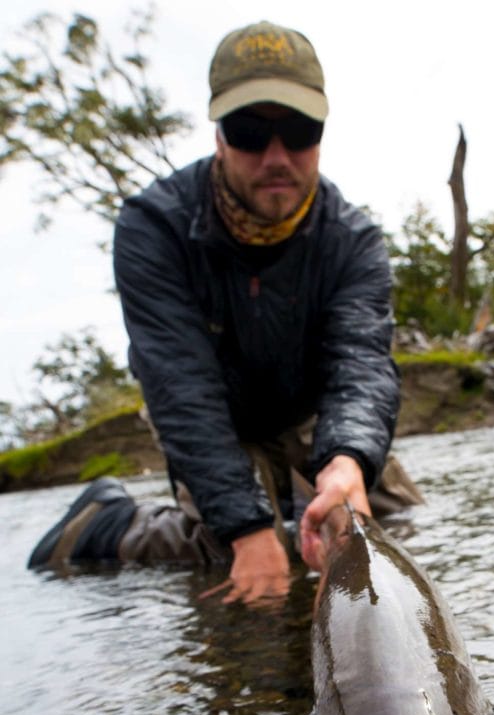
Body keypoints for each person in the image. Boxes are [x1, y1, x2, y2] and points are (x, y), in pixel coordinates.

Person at [28, 20, 422, 605]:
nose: (276, 156)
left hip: (308, 410)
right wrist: (244, 527)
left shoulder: (353, 239)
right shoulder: (153, 227)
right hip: (217, 415)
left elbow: (360, 362)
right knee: (243, 554)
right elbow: (179, 384)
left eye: (298, 131)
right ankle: (104, 525)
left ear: (321, 131)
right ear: (217, 134)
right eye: (248, 132)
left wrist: (348, 460)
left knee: (382, 526)